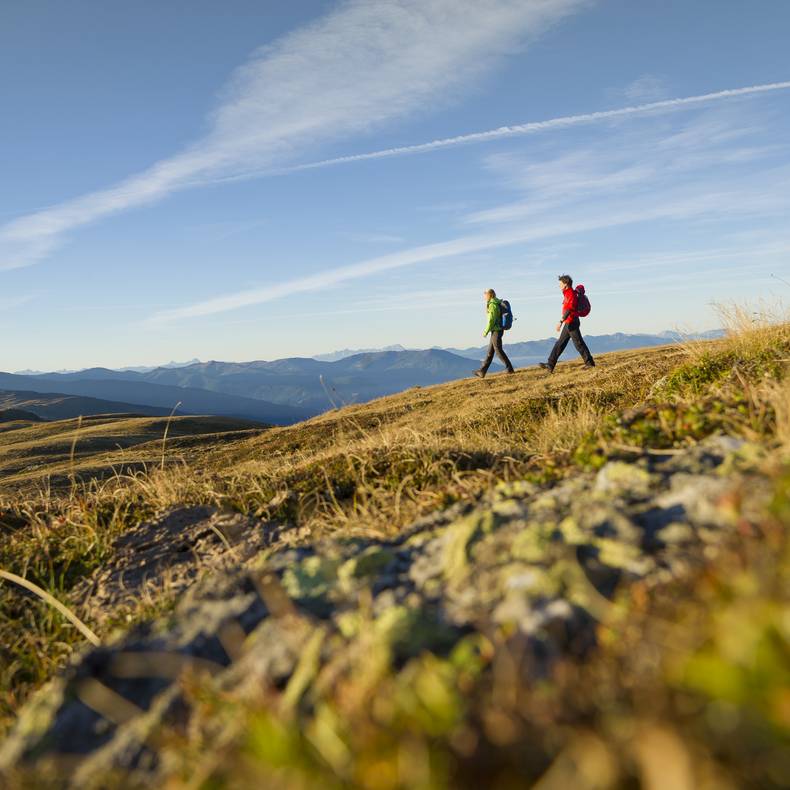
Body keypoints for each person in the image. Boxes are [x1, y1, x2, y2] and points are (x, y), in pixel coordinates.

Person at [539, 275, 595, 373]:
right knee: (560, 343)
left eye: (560, 283)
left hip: (572, 322)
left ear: (566, 284)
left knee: (579, 344)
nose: (559, 285)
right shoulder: (567, 293)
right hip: (569, 322)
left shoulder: (570, 294)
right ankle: (550, 365)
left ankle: (590, 364)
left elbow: (569, 309)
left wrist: (560, 322)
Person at [474, 289, 515, 378]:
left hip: (496, 330)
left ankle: (509, 368)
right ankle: (482, 371)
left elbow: (491, 320)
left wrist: (485, 331)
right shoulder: (497, 302)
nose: (484, 297)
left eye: (485, 295)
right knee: (490, 351)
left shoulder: (493, 304)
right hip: (497, 330)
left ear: (489, 295)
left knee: (498, 350)